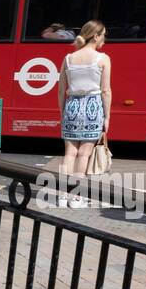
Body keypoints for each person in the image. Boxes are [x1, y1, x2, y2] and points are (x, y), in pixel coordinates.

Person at [56, 20, 111, 209]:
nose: (104, 38)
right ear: (96, 36)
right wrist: (107, 117)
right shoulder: (102, 58)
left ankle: (63, 195)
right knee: (84, 155)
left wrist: (63, 112)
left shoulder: (69, 58)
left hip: (72, 106)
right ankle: (77, 197)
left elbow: (61, 89)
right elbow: (106, 91)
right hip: (93, 107)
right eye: (103, 34)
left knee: (69, 153)